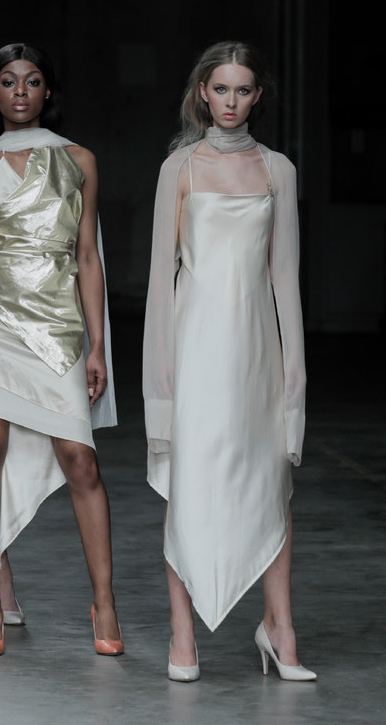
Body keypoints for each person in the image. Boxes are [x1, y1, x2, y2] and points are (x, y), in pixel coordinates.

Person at [0, 43, 121, 658]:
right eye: (9, 81)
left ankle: (105, 600)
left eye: (33, 80)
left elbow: (87, 257)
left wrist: (97, 346)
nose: (20, 91)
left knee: (80, 459)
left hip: (58, 323)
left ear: (47, 91)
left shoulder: (79, 160)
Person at [144, 41, 312, 682]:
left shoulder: (278, 170)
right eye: (221, 89)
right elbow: (161, 279)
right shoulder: (179, 168)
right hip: (194, 343)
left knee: (269, 478)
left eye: (243, 90)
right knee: (188, 478)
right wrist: (159, 373)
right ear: (203, 93)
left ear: (257, 95)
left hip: (256, 346)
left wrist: (295, 370)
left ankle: (280, 629)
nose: (231, 101)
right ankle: (182, 634)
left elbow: (285, 276)